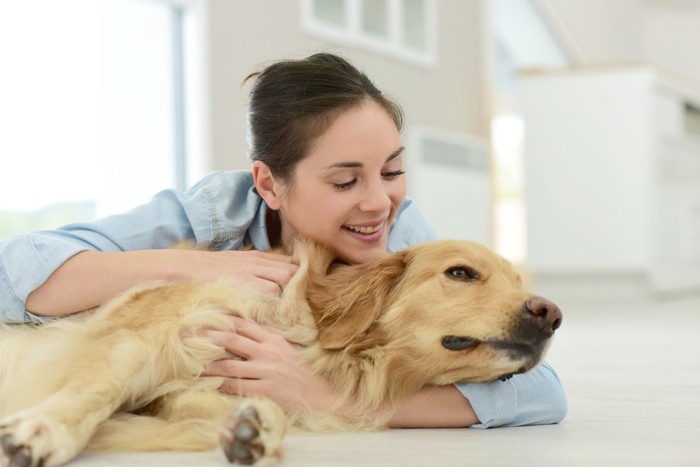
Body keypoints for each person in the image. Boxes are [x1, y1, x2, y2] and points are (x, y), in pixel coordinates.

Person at [0, 52, 566, 428]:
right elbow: (18, 269)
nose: (378, 203)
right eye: (346, 180)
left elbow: (543, 395)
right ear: (270, 184)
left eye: (391, 172)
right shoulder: (215, 212)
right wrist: (197, 269)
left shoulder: (404, 241)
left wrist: (331, 400)